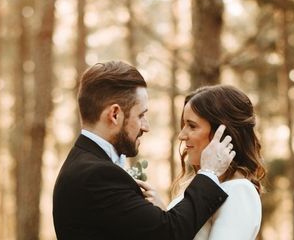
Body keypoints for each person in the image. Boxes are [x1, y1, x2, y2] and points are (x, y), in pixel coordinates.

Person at [52, 60, 236, 240]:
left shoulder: (83, 163)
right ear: (114, 114)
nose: (146, 127)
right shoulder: (97, 175)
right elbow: (169, 233)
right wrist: (209, 173)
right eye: (141, 115)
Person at [139, 85, 266, 240]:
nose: (182, 135)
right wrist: (164, 216)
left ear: (224, 134)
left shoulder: (240, 190)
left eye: (192, 126)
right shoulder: (203, 185)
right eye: (183, 125)